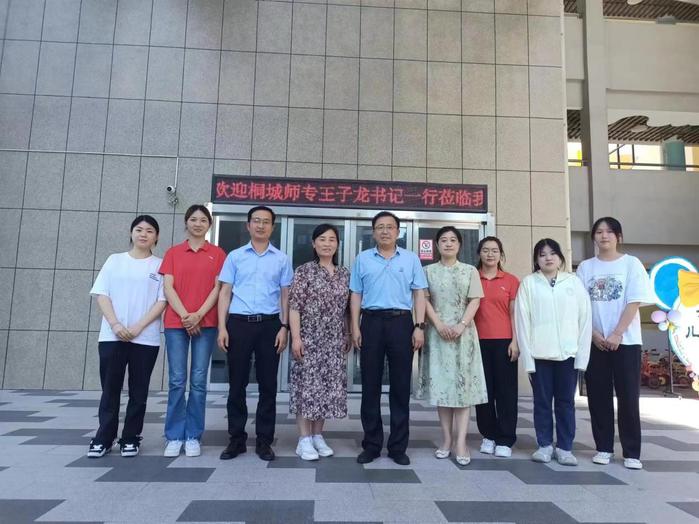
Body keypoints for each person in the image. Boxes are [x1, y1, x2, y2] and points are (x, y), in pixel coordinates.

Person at [350, 211, 428, 466]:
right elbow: (356, 294)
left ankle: (397, 447)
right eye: (380, 227)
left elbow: (419, 294)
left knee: (401, 387)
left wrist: (419, 326)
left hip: (401, 323)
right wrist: (355, 327)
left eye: (390, 227)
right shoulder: (363, 258)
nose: (385, 231)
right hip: (371, 322)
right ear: (374, 232)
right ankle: (371, 445)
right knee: (369, 386)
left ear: (397, 231)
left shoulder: (411, 258)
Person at [217, 206, 293, 462]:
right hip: (238, 324)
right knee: (236, 384)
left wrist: (284, 327)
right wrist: (222, 327)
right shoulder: (235, 257)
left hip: (270, 325)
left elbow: (286, 296)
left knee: (268, 385)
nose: (261, 225)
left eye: (266, 222)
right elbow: (225, 293)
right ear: (248, 225)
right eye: (256, 221)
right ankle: (236, 440)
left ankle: (264, 441)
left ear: (273, 227)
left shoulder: (281, 259)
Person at [576, 217, 653, 470]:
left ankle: (631, 452)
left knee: (628, 397)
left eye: (609, 231)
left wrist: (618, 333)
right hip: (595, 342)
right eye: (599, 232)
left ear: (618, 236)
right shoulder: (585, 267)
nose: (604, 236)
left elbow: (634, 301)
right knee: (598, 396)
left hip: (626, 342)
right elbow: (580, 306)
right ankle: (604, 448)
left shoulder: (631, 264)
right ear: (594, 237)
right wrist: (594, 335)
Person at [87, 215, 167, 458]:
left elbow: (162, 301)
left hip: (145, 338)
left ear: (156, 237)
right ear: (131, 233)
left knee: (138, 391)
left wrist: (138, 327)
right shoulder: (115, 260)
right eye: (139, 229)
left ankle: (131, 437)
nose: (144, 234)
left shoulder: (160, 265)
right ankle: (104, 437)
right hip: (112, 336)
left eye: (150, 230)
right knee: (110, 389)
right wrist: (115, 324)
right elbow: (102, 294)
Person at [515, 238, 592, 466]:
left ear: (560, 257)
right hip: (539, 356)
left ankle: (565, 448)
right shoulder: (529, 283)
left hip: (568, 356)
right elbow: (522, 322)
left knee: (566, 403)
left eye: (552, 253)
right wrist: (528, 360)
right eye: (542, 254)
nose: (548, 258)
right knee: (542, 402)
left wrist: (582, 358)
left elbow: (585, 320)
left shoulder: (574, 282)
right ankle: (544, 445)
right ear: (536, 260)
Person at [418, 226, 488, 466]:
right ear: (437, 245)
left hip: (463, 335)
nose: (448, 244)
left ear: (459, 245)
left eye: (452, 240)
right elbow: (424, 300)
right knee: (443, 389)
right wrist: (438, 324)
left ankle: (461, 442)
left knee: (462, 390)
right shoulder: (427, 271)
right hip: (437, 336)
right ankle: (446, 439)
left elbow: (474, 300)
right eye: (443, 240)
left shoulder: (470, 271)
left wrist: (461, 325)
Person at [160, 205, 226, 458]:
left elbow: (218, 288)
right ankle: (174, 435)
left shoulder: (217, 254)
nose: (198, 224)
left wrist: (198, 315)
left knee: (198, 381)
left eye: (203, 220)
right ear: (186, 223)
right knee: (177, 380)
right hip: (176, 324)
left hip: (206, 323)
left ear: (209, 224)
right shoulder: (173, 252)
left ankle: (193, 435)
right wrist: (186, 316)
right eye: (193, 219)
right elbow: (168, 287)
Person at [289, 224, 351, 461]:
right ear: (314, 244)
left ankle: (317, 435)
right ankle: (303, 439)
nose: (327, 243)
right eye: (322, 239)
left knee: (325, 389)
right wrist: (296, 337)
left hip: (334, 341)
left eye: (332, 239)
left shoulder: (344, 273)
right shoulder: (304, 271)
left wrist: (347, 333)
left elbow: (346, 309)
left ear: (337, 244)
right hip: (309, 338)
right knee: (306, 388)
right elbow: (294, 306)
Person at [473, 236, 520, 458]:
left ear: (501, 254)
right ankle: (488, 435)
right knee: (483, 392)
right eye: (485, 250)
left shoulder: (510, 280)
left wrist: (515, 341)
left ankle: (505, 438)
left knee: (506, 393)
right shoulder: (472, 277)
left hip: (504, 342)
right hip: (477, 342)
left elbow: (514, 314)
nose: (490, 254)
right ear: (479, 253)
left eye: (494, 250)